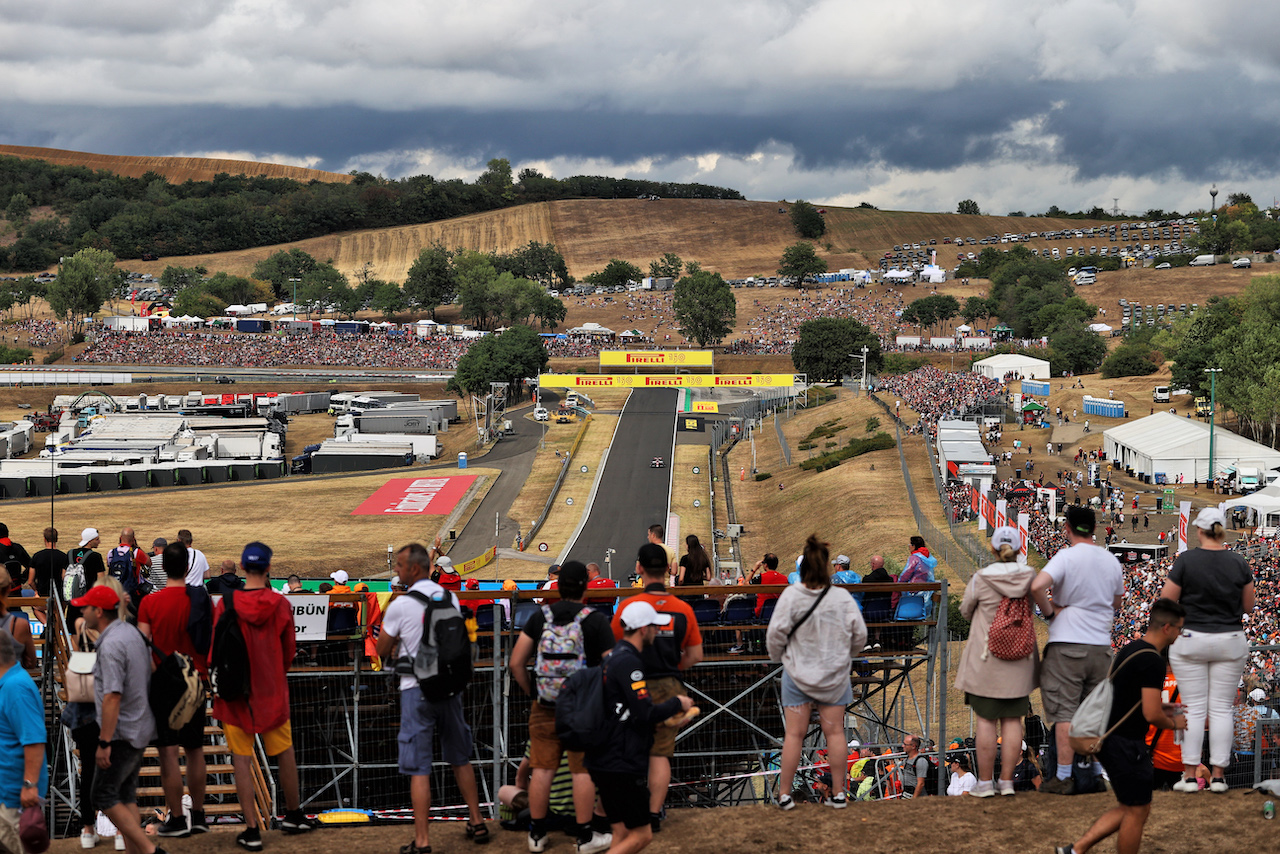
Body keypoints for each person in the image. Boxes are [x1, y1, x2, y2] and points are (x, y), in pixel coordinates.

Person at [1053, 599, 1188, 854]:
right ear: (1167, 627)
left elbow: (1129, 698)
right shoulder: (1153, 660)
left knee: (1132, 807)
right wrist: (1173, 722)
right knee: (1137, 811)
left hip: (1111, 738)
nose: (1180, 634)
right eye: (1180, 628)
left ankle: (1076, 850)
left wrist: (1162, 709)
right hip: (1126, 744)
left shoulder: (1131, 649)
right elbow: (1150, 714)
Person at [376, 543, 487, 854]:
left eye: (399, 565)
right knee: (459, 756)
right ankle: (477, 820)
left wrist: (395, 643)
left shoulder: (400, 604)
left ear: (413, 569)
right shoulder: (448, 596)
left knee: (419, 767)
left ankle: (423, 841)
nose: (396, 570)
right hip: (450, 686)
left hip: (416, 688)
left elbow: (382, 650)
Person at [211, 542, 312, 850]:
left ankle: (252, 829)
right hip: (270, 690)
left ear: (242, 568)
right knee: (285, 752)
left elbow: (215, 650)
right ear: (268, 568)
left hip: (234, 693)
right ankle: (293, 814)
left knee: (241, 759)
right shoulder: (280, 605)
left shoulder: (225, 603)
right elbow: (289, 651)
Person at [508, 561, 614, 854]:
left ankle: (538, 836)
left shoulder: (540, 618)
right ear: (585, 586)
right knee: (582, 770)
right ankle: (584, 837)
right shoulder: (594, 620)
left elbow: (516, 663)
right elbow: (612, 665)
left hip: (545, 703)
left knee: (542, 768)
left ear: (557, 586)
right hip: (582, 706)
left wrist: (534, 692)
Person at [765, 534, 867, 810]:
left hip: (797, 673)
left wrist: (781, 658)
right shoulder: (840, 598)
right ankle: (838, 792)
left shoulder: (791, 597)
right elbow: (860, 635)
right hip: (833, 673)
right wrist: (848, 655)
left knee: (794, 736)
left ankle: (785, 794)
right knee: (835, 733)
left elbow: (774, 636)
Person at [1031, 505, 1125, 795]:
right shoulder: (1110, 561)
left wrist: (1051, 612)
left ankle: (1063, 776)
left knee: (1064, 713)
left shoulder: (1066, 557)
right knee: (1094, 713)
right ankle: (1095, 773)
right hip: (1100, 647)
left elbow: (1036, 586)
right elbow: (1118, 603)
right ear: (1095, 529)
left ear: (1067, 528)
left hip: (1067, 644)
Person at [1159, 506, 1253, 793]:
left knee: (1194, 709)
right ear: (1222, 530)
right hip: (1229, 638)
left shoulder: (1186, 561)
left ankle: (1188, 775)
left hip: (1191, 639)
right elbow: (1248, 606)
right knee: (1222, 709)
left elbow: (1166, 601)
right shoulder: (1239, 562)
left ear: (1198, 530)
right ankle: (1219, 777)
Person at [610, 543, 704, 831]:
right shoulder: (682, 608)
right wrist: (673, 670)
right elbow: (695, 655)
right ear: (667, 570)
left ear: (639, 568)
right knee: (661, 752)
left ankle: (628, 810)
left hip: (632, 683)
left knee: (629, 748)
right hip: (669, 684)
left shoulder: (628, 606)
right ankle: (652, 815)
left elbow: (616, 646)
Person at [586, 601, 692, 854]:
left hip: (604, 758)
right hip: (621, 761)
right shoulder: (629, 663)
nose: (657, 631)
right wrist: (677, 702)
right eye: (654, 626)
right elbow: (644, 713)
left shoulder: (614, 657)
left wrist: (669, 715)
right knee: (642, 835)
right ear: (643, 629)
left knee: (621, 831)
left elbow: (630, 712)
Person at [74, 583, 167, 854]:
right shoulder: (131, 632)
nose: (83, 610)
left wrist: (104, 742)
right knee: (125, 795)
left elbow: (112, 695)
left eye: (87, 606)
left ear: (99, 611)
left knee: (101, 795)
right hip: (138, 724)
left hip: (121, 731)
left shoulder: (112, 643)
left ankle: (150, 851)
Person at [954, 527, 1039, 797]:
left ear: (992, 549)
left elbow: (966, 611)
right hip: (1020, 657)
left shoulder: (982, 577)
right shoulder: (1029, 577)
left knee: (986, 721)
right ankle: (1006, 783)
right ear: (1018, 549)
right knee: (1013, 721)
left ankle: (985, 783)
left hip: (986, 657)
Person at [137, 541, 212, 837]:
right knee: (195, 750)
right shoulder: (202, 599)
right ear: (189, 566)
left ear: (163, 567)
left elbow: (144, 646)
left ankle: (178, 819)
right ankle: (200, 815)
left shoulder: (150, 603)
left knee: (168, 753)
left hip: (163, 683)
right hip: (196, 680)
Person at [0, 626, 45, 854]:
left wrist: (29, 786)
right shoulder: (9, 684)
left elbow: (34, 741)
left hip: (15, 795)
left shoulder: (15, 687)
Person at [67, 528, 107, 631]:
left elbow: (64, 575)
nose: (99, 542)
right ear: (90, 541)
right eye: (97, 539)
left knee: (74, 631)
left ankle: (74, 648)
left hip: (72, 599)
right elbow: (101, 580)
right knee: (89, 631)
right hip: (89, 601)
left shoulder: (70, 553)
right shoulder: (95, 556)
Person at [0, 569, 36, 669]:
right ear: (9, 588)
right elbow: (32, 663)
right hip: (12, 676)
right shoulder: (20, 625)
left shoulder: (19, 624)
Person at [30, 526, 69, 600]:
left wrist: (36, 590)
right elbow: (64, 577)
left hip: (42, 593)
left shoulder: (37, 556)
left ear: (44, 539)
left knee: (36, 609)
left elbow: (30, 581)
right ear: (57, 539)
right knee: (59, 611)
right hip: (59, 595)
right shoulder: (64, 556)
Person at [0, 523, 31, 590]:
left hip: (2, 591)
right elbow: (31, 565)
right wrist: (22, 579)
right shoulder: (18, 548)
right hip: (16, 589)